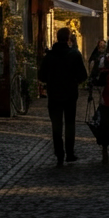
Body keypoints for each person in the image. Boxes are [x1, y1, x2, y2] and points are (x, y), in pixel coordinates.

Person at [38, 28, 89, 167]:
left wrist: (51, 80)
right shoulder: (74, 55)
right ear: (68, 39)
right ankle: (70, 153)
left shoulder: (49, 56)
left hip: (54, 94)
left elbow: (41, 76)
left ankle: (59, 154)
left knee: (56, 125)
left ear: (57, 37)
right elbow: (83, 76)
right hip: (70, 94)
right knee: (70, 124)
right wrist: (74, 81)